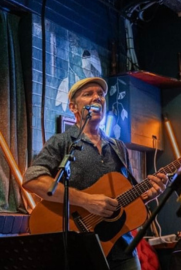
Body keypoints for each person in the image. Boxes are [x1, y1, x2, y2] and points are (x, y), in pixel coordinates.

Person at [23, 77, 168, 270]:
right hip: (80, 249)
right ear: (73, 107)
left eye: (101, 94)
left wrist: (149, 195)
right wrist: (86, 201)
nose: (97, 98)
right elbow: (32, 180)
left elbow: (126, 199)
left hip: (121, 248)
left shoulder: (117, 147)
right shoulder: (62, 142)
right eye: (88, 94)